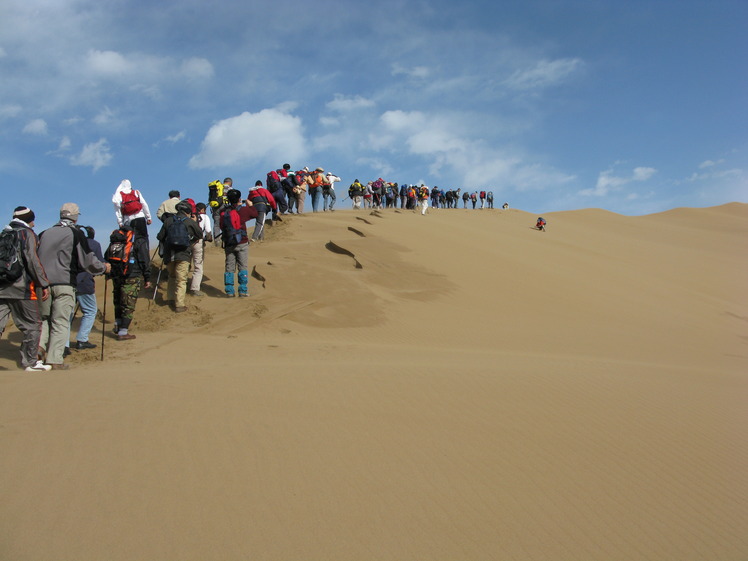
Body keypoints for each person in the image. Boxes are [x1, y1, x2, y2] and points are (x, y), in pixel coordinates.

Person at [38, 203, 110, 370]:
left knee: (43, 319)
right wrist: (103, 268)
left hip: (43, 284)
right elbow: (87, 261)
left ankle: (39, 349)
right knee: (61, 321)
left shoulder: (44, 233)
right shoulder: (75, 234)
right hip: (64, 283)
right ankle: (55, 359)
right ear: (76, 217)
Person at [0, 206, 51, 371]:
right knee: (33, 324)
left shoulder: (4, 233)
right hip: (22, 288)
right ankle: (30, 362)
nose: (34, 224)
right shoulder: (27, 234)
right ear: (29, 219)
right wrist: (43, 283)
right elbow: (32, 260)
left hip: (1, 287)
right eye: (32, 220)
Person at [108, 218, 152, 340]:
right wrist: (147, 277)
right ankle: (123, 332)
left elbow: (108, 256)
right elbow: (144, 260)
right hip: (132, 275)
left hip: (116, 275)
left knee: (118, 302)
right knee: (128, 303)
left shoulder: (117, 238)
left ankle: (117, 325)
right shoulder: (139, 240)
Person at [156, 201, 202, 313]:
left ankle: (171, 299)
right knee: (181, 280)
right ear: (188, 211)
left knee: (172, 277)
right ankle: (179, 305)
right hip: (184, 254)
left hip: (169, 254)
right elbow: (200, 234)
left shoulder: (168, 221)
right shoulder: (190, 221)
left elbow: (160, 236)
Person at [220, 189, 258, 297]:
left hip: (229, 243)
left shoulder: (224, 212)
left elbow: (222, 225)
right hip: (242, 242)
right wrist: (250, 205)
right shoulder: (243, 210)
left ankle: (229, 291)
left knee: (229, 267)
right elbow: (255, 213)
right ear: (239, 199)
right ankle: (242, 290)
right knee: (243, 266)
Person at [70, 226, 103, 350]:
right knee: (90, 311)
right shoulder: (94, 244)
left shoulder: (70, 242)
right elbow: (98, 263)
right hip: (84, 282)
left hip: (68, 282)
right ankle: (82, 340)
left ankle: (63, 344)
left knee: (67, 314)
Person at [189, 203, 212, 297]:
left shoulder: (190, 216)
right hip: (198, 242)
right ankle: (195, 289)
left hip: (187, 242)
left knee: (186, 263)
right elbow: (208, 230)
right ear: (202, 209)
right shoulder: (205, 217)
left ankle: (182, 284)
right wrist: (209, 238)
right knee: (198, 265)